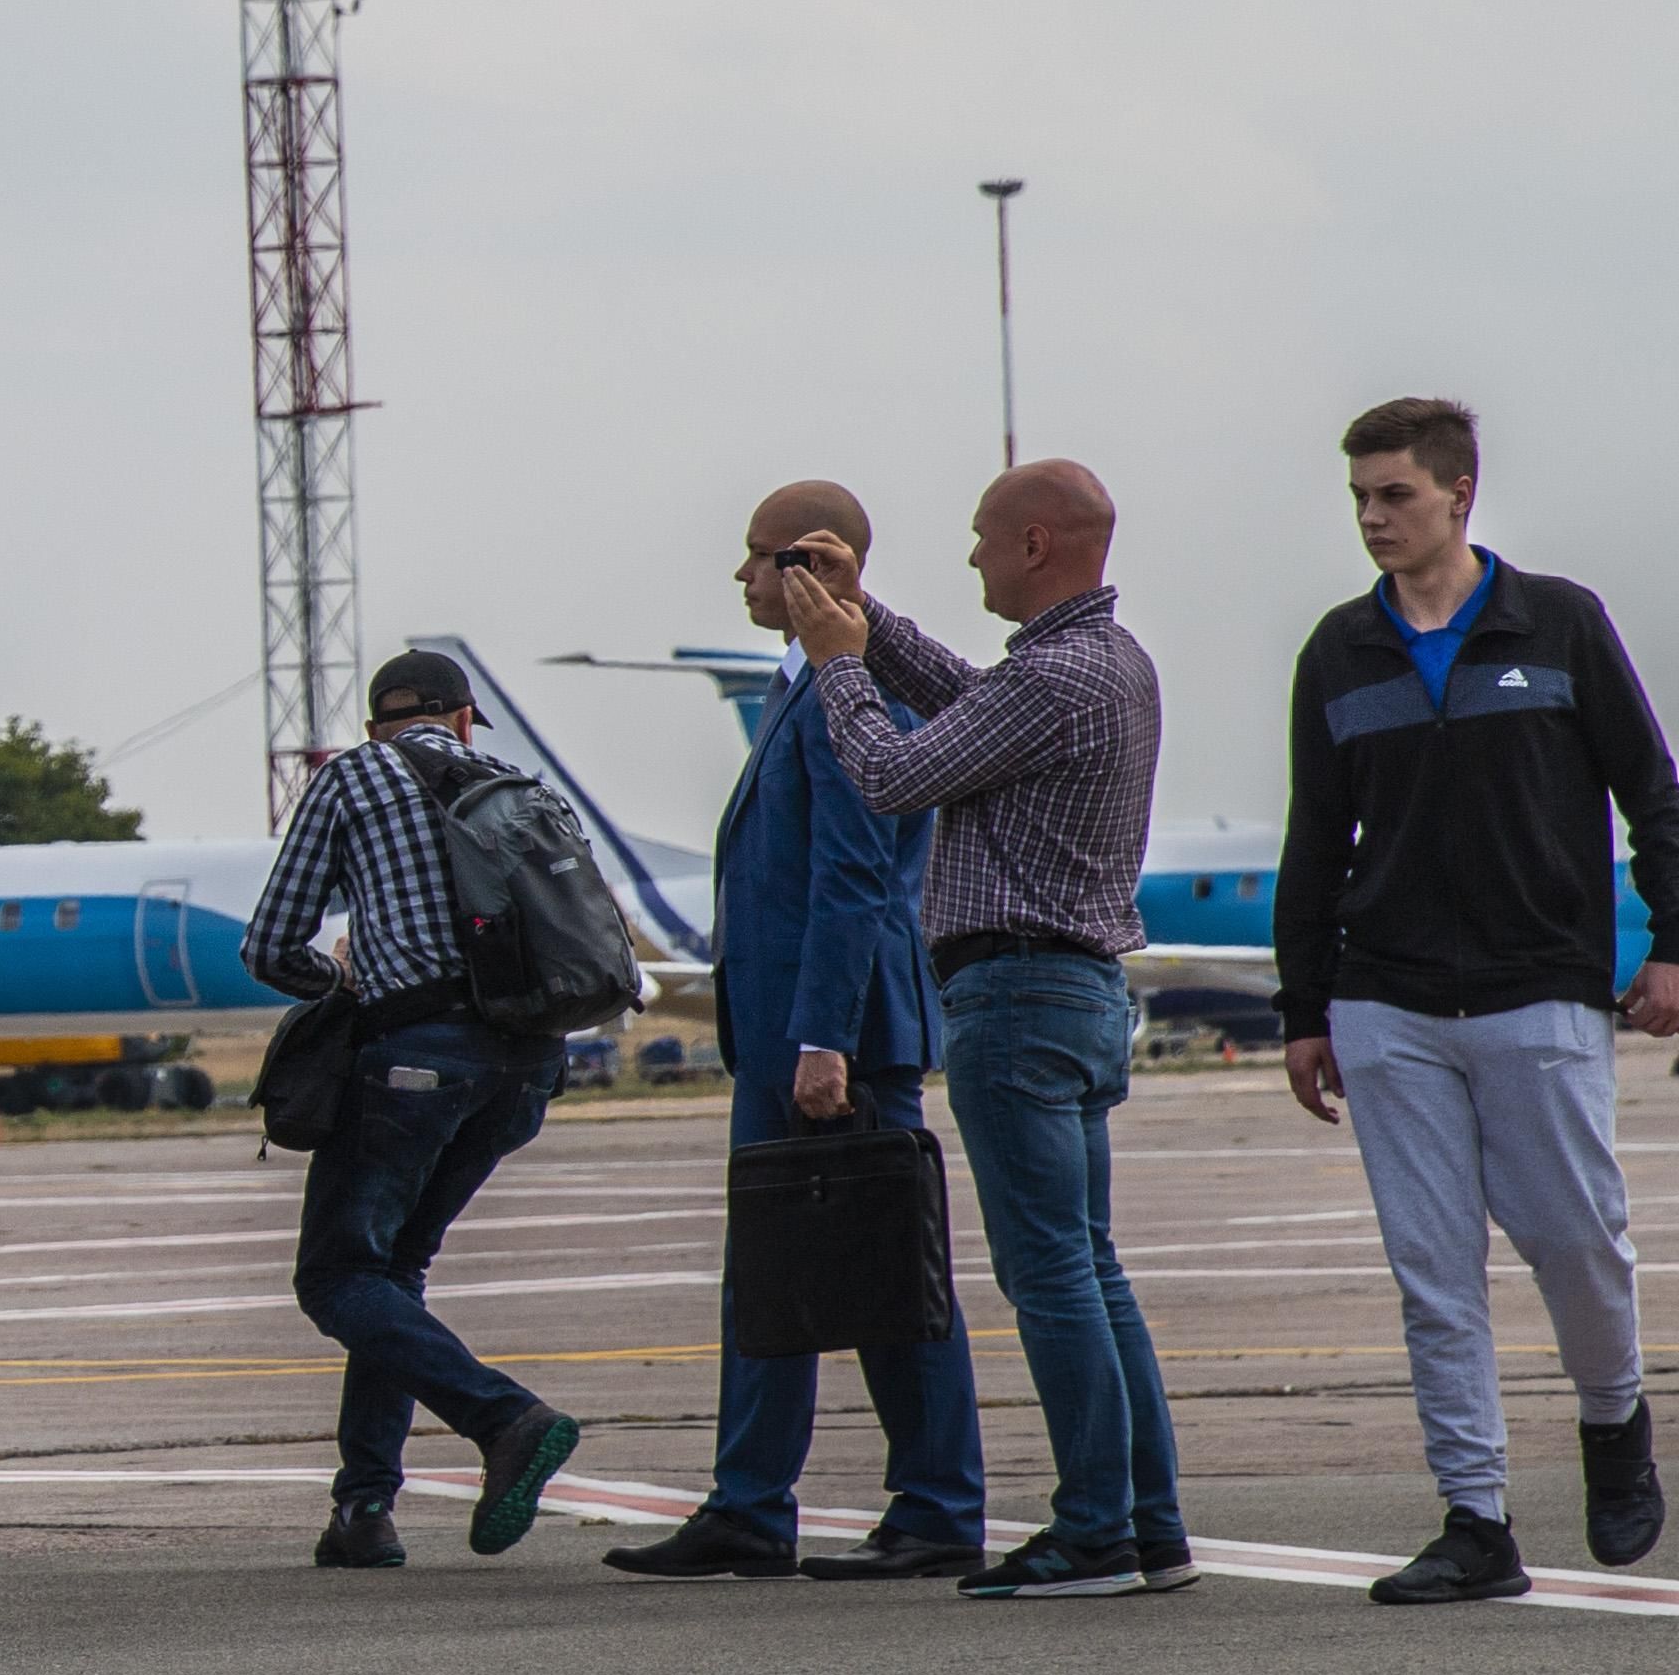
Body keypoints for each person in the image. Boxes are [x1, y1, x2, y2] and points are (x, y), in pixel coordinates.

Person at [1271, 398, 1679, 1604]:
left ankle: (1614, 1423)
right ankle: (1475, 1520)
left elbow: (1652, 795)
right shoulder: (1338, 650)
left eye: (1393, 494)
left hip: (1539, 989)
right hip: (1385, 1002)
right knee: (1433, 1266)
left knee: (1573, 1241)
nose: (1371, 518)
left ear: (1458, 492)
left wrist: (1670, 944)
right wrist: (1306, 1009)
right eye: (1358, 498)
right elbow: (1314, 840)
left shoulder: (1558, 624)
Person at [776, 463, 1184, 1600]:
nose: (971, 558)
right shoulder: (1108, 663)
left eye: (982, 540)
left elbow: (897, 774)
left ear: (1037, 544)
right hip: (1083, 990)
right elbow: (968, 705)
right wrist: (874, 616)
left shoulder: (1052, 679)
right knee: (1092, 1270)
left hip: (1014, 995)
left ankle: (1093, 1529)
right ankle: (1149, 1525)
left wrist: (841, 666)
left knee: (1049, 1274)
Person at [605, 485, 988, 1586]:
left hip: (837, 1036)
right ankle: (751, 1505)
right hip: (787, 1032)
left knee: (890, 1277)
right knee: (768, 1275)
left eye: (759, 561)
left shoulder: (845, 691)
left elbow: (855, 877)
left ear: (814, 570)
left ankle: (936, 1506)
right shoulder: (800, 688)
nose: (742, 580)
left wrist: (822, 1037)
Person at [238, 648, 590, 1572]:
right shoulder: (520, 784)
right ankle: (363, 1513)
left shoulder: (352, 778)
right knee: (392, 1276)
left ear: (373, 726)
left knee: (337, 1280)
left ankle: (504, 1417)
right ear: (467, 719)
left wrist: (337, 977)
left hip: (416, 1061)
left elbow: (273, 943)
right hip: (528, 1066)